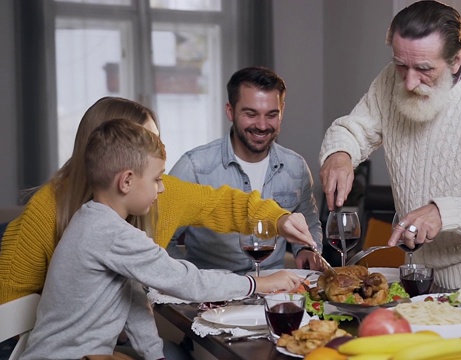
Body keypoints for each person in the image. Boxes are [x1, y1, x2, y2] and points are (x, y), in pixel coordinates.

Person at [21, 119, 303, 359]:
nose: (162, 187)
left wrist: (155, 355)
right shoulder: (112, 234)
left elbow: (131, 300)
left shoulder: (93, 221)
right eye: (156, 179)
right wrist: (258, 283)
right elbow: (188, 282)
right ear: (127, 181)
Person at [0, 96, 316, 305]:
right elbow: (11, 314)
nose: (156, 153)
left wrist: (279, 219)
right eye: (143, 143)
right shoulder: (47, 208)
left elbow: (225, 203)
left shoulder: (162, 192)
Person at [319, 0, 461, 291]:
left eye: (424, 68)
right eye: (401, 65)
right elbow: (353, 129)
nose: (410, 82)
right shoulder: (390, 81)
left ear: (455, 61)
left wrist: (442, 213)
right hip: (418, 270)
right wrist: (340, 154)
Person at [170, 66, 324, 273]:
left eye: (271, 115)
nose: (262, 125)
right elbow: (160, 239)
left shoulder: (296, 167)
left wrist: (305, 249)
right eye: (251, 114)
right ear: (230, 111)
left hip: (274, 291)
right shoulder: (194, 167)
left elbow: (309, 222)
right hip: (214, 298)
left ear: (282, 112)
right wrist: (188, 281)